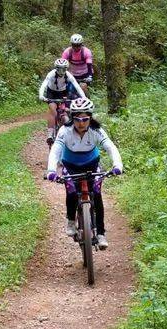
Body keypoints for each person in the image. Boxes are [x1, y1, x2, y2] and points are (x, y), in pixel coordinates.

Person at [47, 97, 122, 249]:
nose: (81, 123)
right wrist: (51, 170)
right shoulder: (65, 131)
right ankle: (70, 220)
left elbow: (110, 147)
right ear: (72, 118)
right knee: (72, 192)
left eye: (85, 119)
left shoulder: (96, 130)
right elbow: (55, 151)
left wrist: (117, 165)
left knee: (97, 193)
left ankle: (101, 233)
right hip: (70, 165)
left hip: (92, 165)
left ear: (90, 118)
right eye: (77, 119)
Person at [39, 59, 85, 145]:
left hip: (63, 92)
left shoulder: (68, 75)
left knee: (64, 110)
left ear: (66, 69)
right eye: (59, 69)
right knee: (52, 109)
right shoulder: (51, 74)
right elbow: (44, 85)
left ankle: (68, 130)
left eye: (63, 69)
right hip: (51, 92)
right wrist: (41, 95)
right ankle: (50, 134)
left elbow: (77, 87)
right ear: (56, 69)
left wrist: (84, 98)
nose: (61, 71)